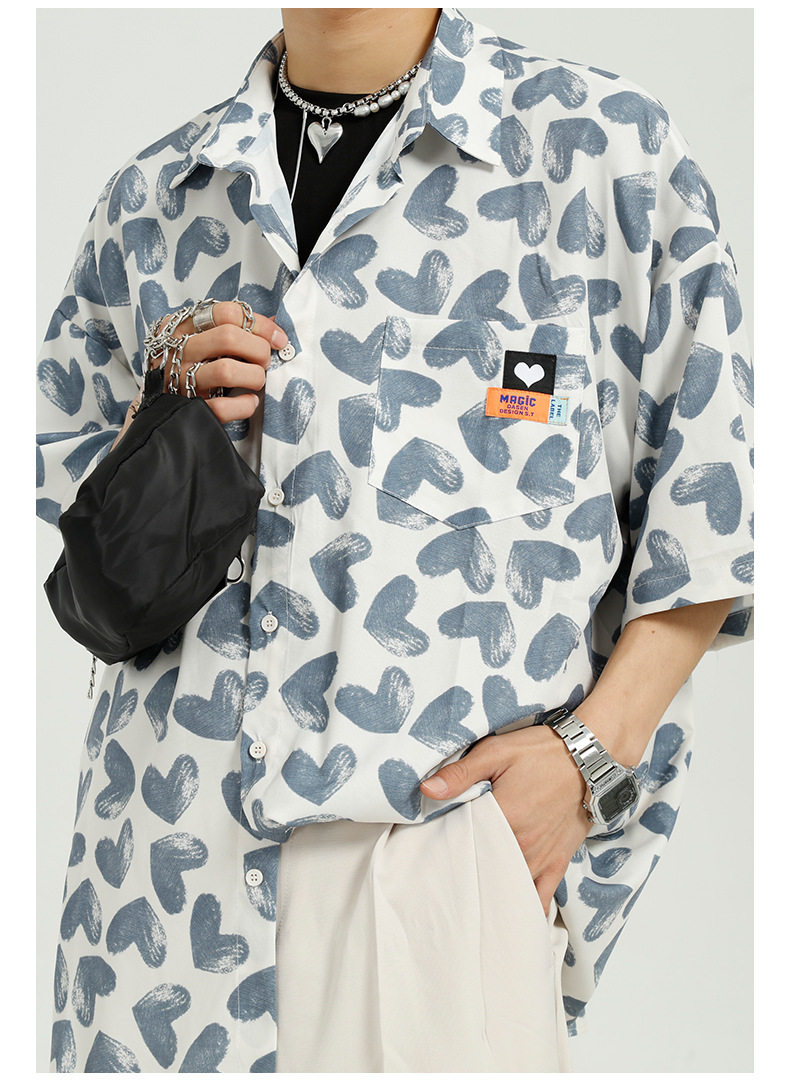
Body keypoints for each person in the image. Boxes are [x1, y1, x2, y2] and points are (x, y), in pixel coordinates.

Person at [37, 6, 753, 1073]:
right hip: (159, 904)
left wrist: (586, 758)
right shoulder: (153, 203)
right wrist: (164, 416)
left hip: (439, 868)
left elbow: (714, 508)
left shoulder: (599, 153)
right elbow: (87, 573)